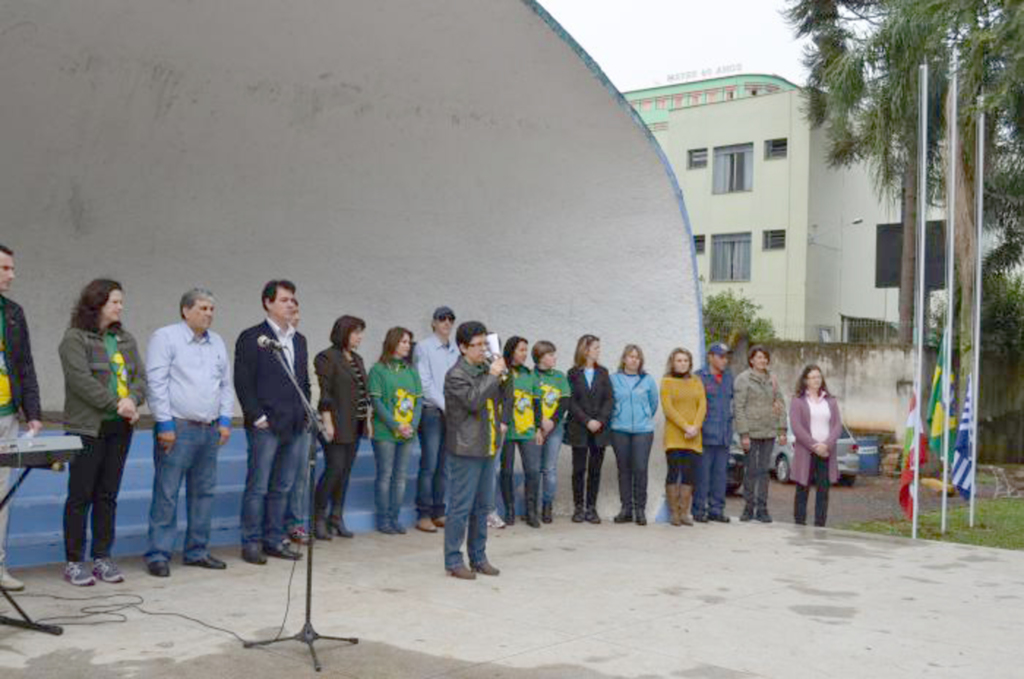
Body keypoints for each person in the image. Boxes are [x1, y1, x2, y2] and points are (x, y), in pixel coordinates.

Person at [59, 279, 147, 586]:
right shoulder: (75, 339)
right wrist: (117, 403)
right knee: (80, 495)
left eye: (121, 302)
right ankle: (73, 561)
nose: (121, 307)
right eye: (115, 302)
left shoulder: (125, 339)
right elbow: (81, 382)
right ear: (97, 304)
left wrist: (132, 400)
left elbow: (139, 378)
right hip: (87, 428)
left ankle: (102, 557)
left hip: (120, 427)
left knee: (107, 495)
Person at [144, 288, 234, 577]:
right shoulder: (166, 337)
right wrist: (165, 423)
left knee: (204, 493)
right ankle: (159, 554)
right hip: (178, 427)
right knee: (167, 492)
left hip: (209, 429)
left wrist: (225, 420)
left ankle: (197, 551)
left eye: (211, 309)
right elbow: (156, 382)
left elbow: (225, 385)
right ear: (185, 310)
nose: (208, 314)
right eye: (203, 308)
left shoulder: (217, 341)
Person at [235, 280, 309, 564]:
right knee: (259, 487)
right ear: (267, 303)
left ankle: (274, 539)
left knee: (282, 487)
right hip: (266, 427)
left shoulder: (298, 340)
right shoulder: (253, 337)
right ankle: (251, 541)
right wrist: (257, 416)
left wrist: (304, 414)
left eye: (293, 300)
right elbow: (243, 381)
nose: (291, 304)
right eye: (284, 300)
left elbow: (302, 381)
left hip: (294, 425)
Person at [443, 321, 506, 579]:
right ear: (462, 347)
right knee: (460, 506)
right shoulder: (456, 375)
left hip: (488, 444)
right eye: (477, 345)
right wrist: (492, 375)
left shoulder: (483, 369)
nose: (482, 350)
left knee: (483, 506)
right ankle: (453, 560)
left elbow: (503, 394)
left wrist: (501, 372)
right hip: (466, 448)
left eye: (484, 344)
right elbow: (473, 401)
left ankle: (479, 557)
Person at [0, 244, 42, 592]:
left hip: (7, 415)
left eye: (12, 268)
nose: (11, 275)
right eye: (5, 268)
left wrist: (33, 413)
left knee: (2, 495)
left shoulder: (12, 312)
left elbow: (25, 364)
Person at [313, 315, 371, 540]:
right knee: (334, 469)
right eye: (356, 332)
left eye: (360, 332)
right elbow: (324, 391)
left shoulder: (357, 359)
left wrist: (367, 420)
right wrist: (327, 422)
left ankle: (336, 516)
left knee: (345, 473)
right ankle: (317, 517)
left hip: (355, 425)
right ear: (343, 333)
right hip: (335, 425)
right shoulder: (327, 357)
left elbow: (362, 392)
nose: (360, 337)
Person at [367, 327, 423, 534]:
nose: (408, 346)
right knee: (385, 476)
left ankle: (394, 518)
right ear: (393, 343)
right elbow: (377, 403)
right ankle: (383, 520)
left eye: (409, 342)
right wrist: (396, 425)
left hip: (408, 434)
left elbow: (418, 402)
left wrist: (412, 426)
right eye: (404, 342)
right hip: (385, 433)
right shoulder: (378, 370)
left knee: (400, 478)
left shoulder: (411, 371)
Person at [413, 306, 459, 533]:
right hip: (432, 411)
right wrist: (446, 406)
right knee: (429, 464)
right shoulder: (423, 347)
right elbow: (425, 383)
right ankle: (423, 513)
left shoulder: (456, 351)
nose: (447, 322)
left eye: (451, 319)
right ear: (433, 323)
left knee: (444, 466)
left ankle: (439, 511)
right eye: (442, 318)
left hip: (452, 413)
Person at [733, 345, 787, 523]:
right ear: (751, 360)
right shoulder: (743, 379)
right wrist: (744, 433)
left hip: (769, 431)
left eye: (764, 357)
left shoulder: (772, 379)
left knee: (764, 471)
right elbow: (738, 407)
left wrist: (782, 429)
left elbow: (780, 404)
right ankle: (748, 508)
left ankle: (762, 509)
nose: (762, 360)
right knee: (751, 470)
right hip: (751, 432)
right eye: (758, 357)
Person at [565, 335, 613, 524]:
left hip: (599, 430)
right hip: (580, 428)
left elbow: (609, 399)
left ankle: (591, 508)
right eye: (595, 348)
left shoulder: (603, 372)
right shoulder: (573, 373)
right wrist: (587, 421)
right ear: (585, 350)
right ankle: (578, 507)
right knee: (578, 469)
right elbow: (571, 401)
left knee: (595, 469)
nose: (598, 351)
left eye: (598, 348)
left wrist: (600, 420)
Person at [609, 344, 659, 525]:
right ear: (624, 359)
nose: (634, 359)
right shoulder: (613, 379)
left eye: (637, 357)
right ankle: (626, 509)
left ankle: (640, 510)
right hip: (619, 429)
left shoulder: (647, 380)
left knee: (640, 468)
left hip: (643, 431)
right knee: (624, 470)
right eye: (630, 356)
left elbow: (653, 403)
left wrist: (644, 417)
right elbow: (609, 401)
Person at [790, 365, 843, 527]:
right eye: (813, 377)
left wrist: (826, 445)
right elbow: (796, 427)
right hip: (807, 452)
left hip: (826, 452)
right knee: (802, 488)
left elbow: (837, 426)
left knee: (823, 490)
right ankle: (799, 523)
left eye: (818, 377)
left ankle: (820, 525)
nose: (816, 380)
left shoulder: (831, 401)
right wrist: (814, 446)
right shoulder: (798, 401)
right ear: (805, 380)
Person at [498, 336, 542, 527]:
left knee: (533, 470)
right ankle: (509, 509)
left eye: (526, 350)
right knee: (506, 470)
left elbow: (537, 403)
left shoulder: (530, 374)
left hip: (527, 430)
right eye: (521, 350)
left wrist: (539, 428)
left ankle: (531, 511)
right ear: (511, 351)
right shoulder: (502, 372)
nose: (525, 353)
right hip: (506, 429)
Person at [660, 348, 706, 526]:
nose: (682, 363)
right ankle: (674, 514)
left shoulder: (696, 382)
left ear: (690, 363)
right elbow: (668, 408)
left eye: (686, 360)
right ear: (673, 362)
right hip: (674, 436)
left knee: (689, 475)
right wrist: (685, 426)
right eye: (679, 360)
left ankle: (684, 512)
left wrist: (695, 426)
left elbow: (702, 405)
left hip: (693, 437)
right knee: (673, 473)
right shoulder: (666, 382)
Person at [694, 343, 734, 523]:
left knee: (720, 476)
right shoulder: (699, 377)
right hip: (705, 435)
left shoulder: (729, 378)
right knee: (702, 476)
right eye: (721, 356)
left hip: (724, 435)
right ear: (710, 357)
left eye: (726, 357)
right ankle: (699, 509)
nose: (724, 360)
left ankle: (716, 510)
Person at [284, 302, 313, 546]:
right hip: (279, 421)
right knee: (280, 477)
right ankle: (272, 527)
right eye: (292, 313)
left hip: (300, 420)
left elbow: (304, 381)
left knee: (300, 477)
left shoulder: (300, 341)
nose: (296, 318)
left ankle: (295, 523)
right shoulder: (269, 342)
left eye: (297, 314)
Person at [533, 341, 570, 524]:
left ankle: (547, 505)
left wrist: (552, 422)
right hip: (534, 428)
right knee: (533, 468)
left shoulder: (559, 376)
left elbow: (564, 402)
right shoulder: (531, 376)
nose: (554, 357)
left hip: (555, 428)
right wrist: (539, 424)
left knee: (549, 468)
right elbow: (531, 402)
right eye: (550, 354)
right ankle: (531, 507)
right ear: (540, 357)